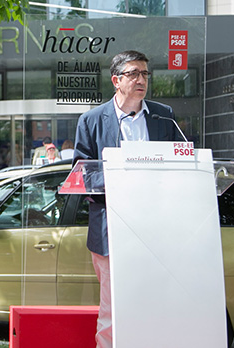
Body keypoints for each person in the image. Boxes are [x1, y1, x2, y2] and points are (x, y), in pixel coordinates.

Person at [73, 50, 185, 348]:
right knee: (112, 308)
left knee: (153, 303)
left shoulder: (164, 116)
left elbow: (179, 164)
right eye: (133, 74)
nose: (141, 80)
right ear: (116, 80)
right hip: (112, 229)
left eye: (145, 74)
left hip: (156, 230)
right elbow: (82, 174)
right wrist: (122, 182)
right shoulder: (91, 120)